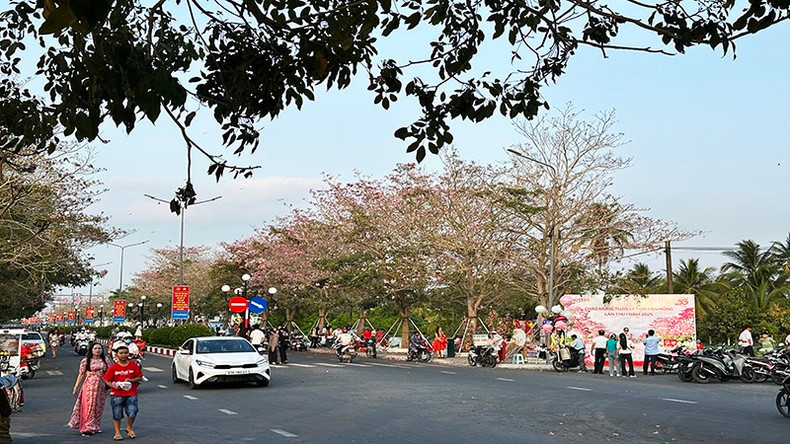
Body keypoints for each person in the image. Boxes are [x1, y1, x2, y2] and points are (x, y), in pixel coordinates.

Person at [68, 343, 112, 436]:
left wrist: (110, 385)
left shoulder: (105, 360)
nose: (97, 350)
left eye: (99, 348)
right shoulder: (86, 361)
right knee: (89, 406)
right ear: (91, 350)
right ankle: (88, 427)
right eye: (95, 348)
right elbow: (81, 374)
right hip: (89, 386)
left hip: (101, 385)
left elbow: (109, 372)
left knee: (99, 406)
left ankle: (96, 425)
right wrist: (76, 387)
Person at [103, 345, 144, 441]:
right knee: (117, 414)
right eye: (121, 353)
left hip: (131, 393)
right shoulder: (113, 368)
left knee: (133, 412)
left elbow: (139, 376)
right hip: (117, 394)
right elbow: (107, 380)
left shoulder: (133, 365)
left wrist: (131, 380)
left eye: (126, 353)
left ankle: (129, 427)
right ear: (116, 355)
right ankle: (117, 432)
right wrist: (114, 386)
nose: (123, 355)